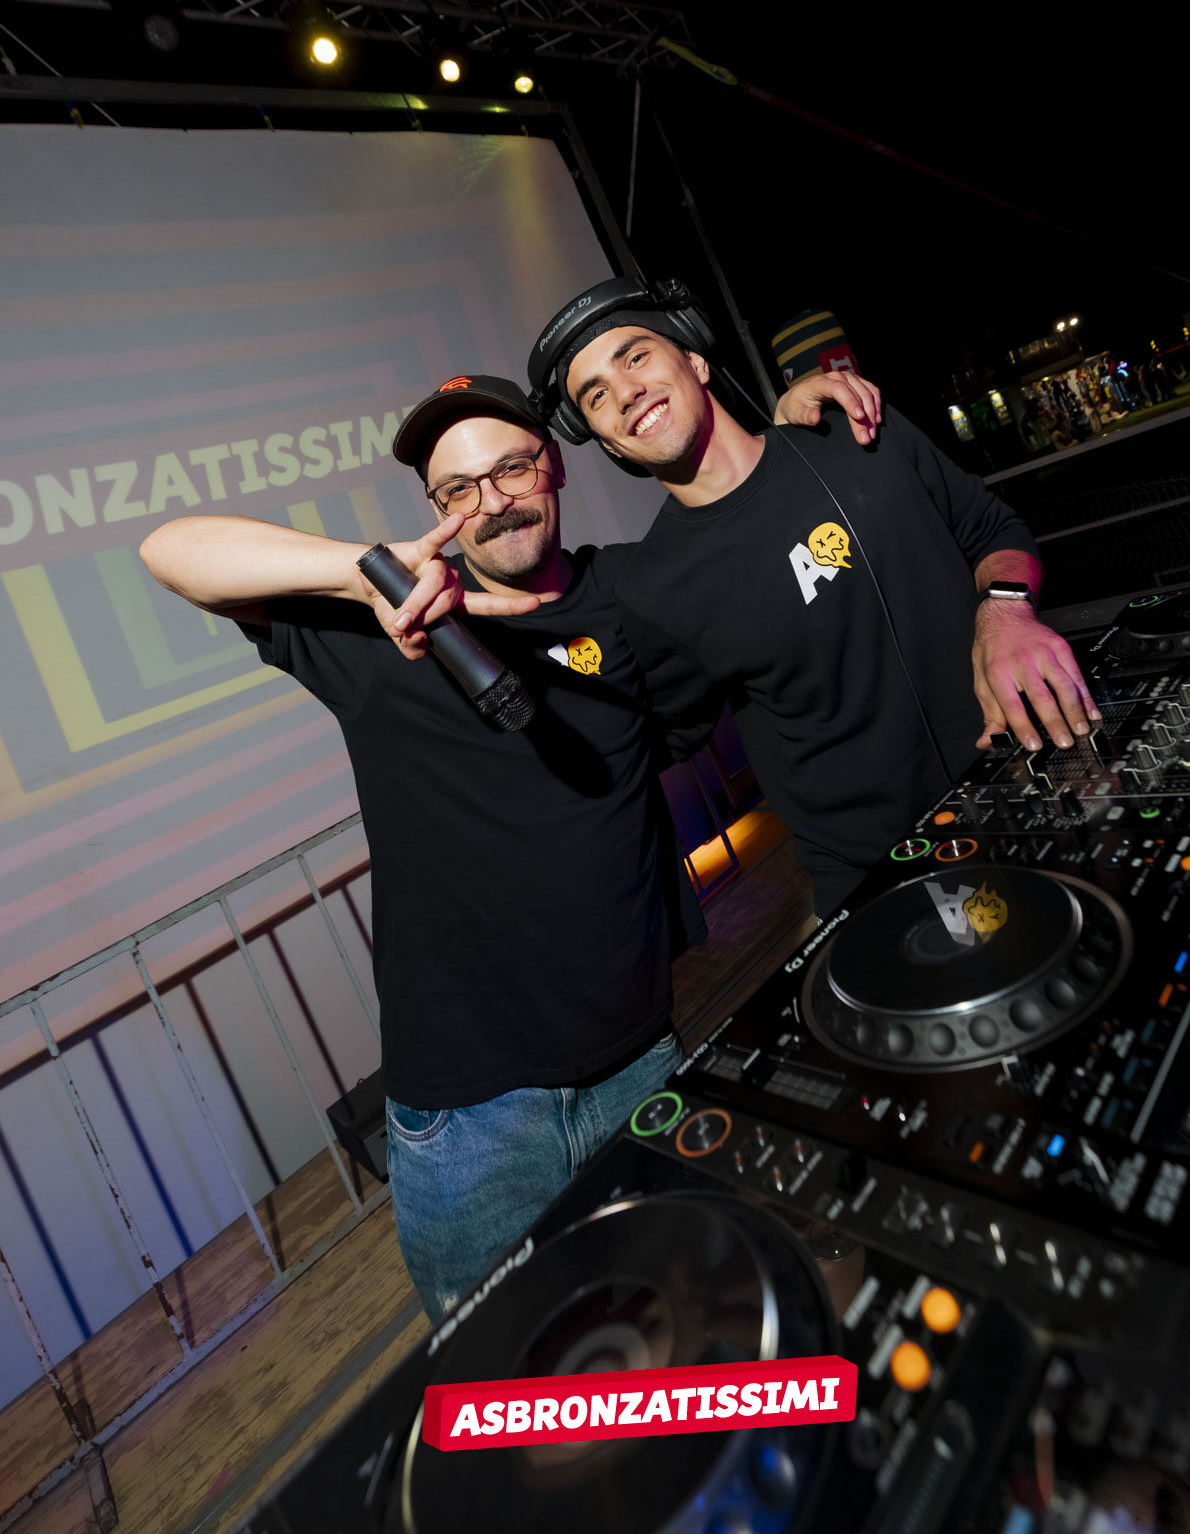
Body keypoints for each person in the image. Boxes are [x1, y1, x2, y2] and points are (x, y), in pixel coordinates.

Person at [139, 365, 877, 1321]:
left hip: (640, 1063)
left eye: (511, 469)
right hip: (471, 1119)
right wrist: (366, 573)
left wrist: (781, 432)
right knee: (517, 1373)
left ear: (553, 466)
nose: (490, 503)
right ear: (437, 510)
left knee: (691, 1333)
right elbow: (171, 551)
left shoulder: (630, 600)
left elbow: (741, 551)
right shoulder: (380, 630)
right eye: (458, 489)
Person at [527, 278, 1100, 920]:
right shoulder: (653, 589)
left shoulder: (853, 433)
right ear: (606, 440)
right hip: (888, 880)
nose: (626, 393)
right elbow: (649, 738)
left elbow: (993, 530)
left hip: (1038, 773)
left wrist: (1005, 611)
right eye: (596, 395)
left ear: (695, 359)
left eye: (636, 356)